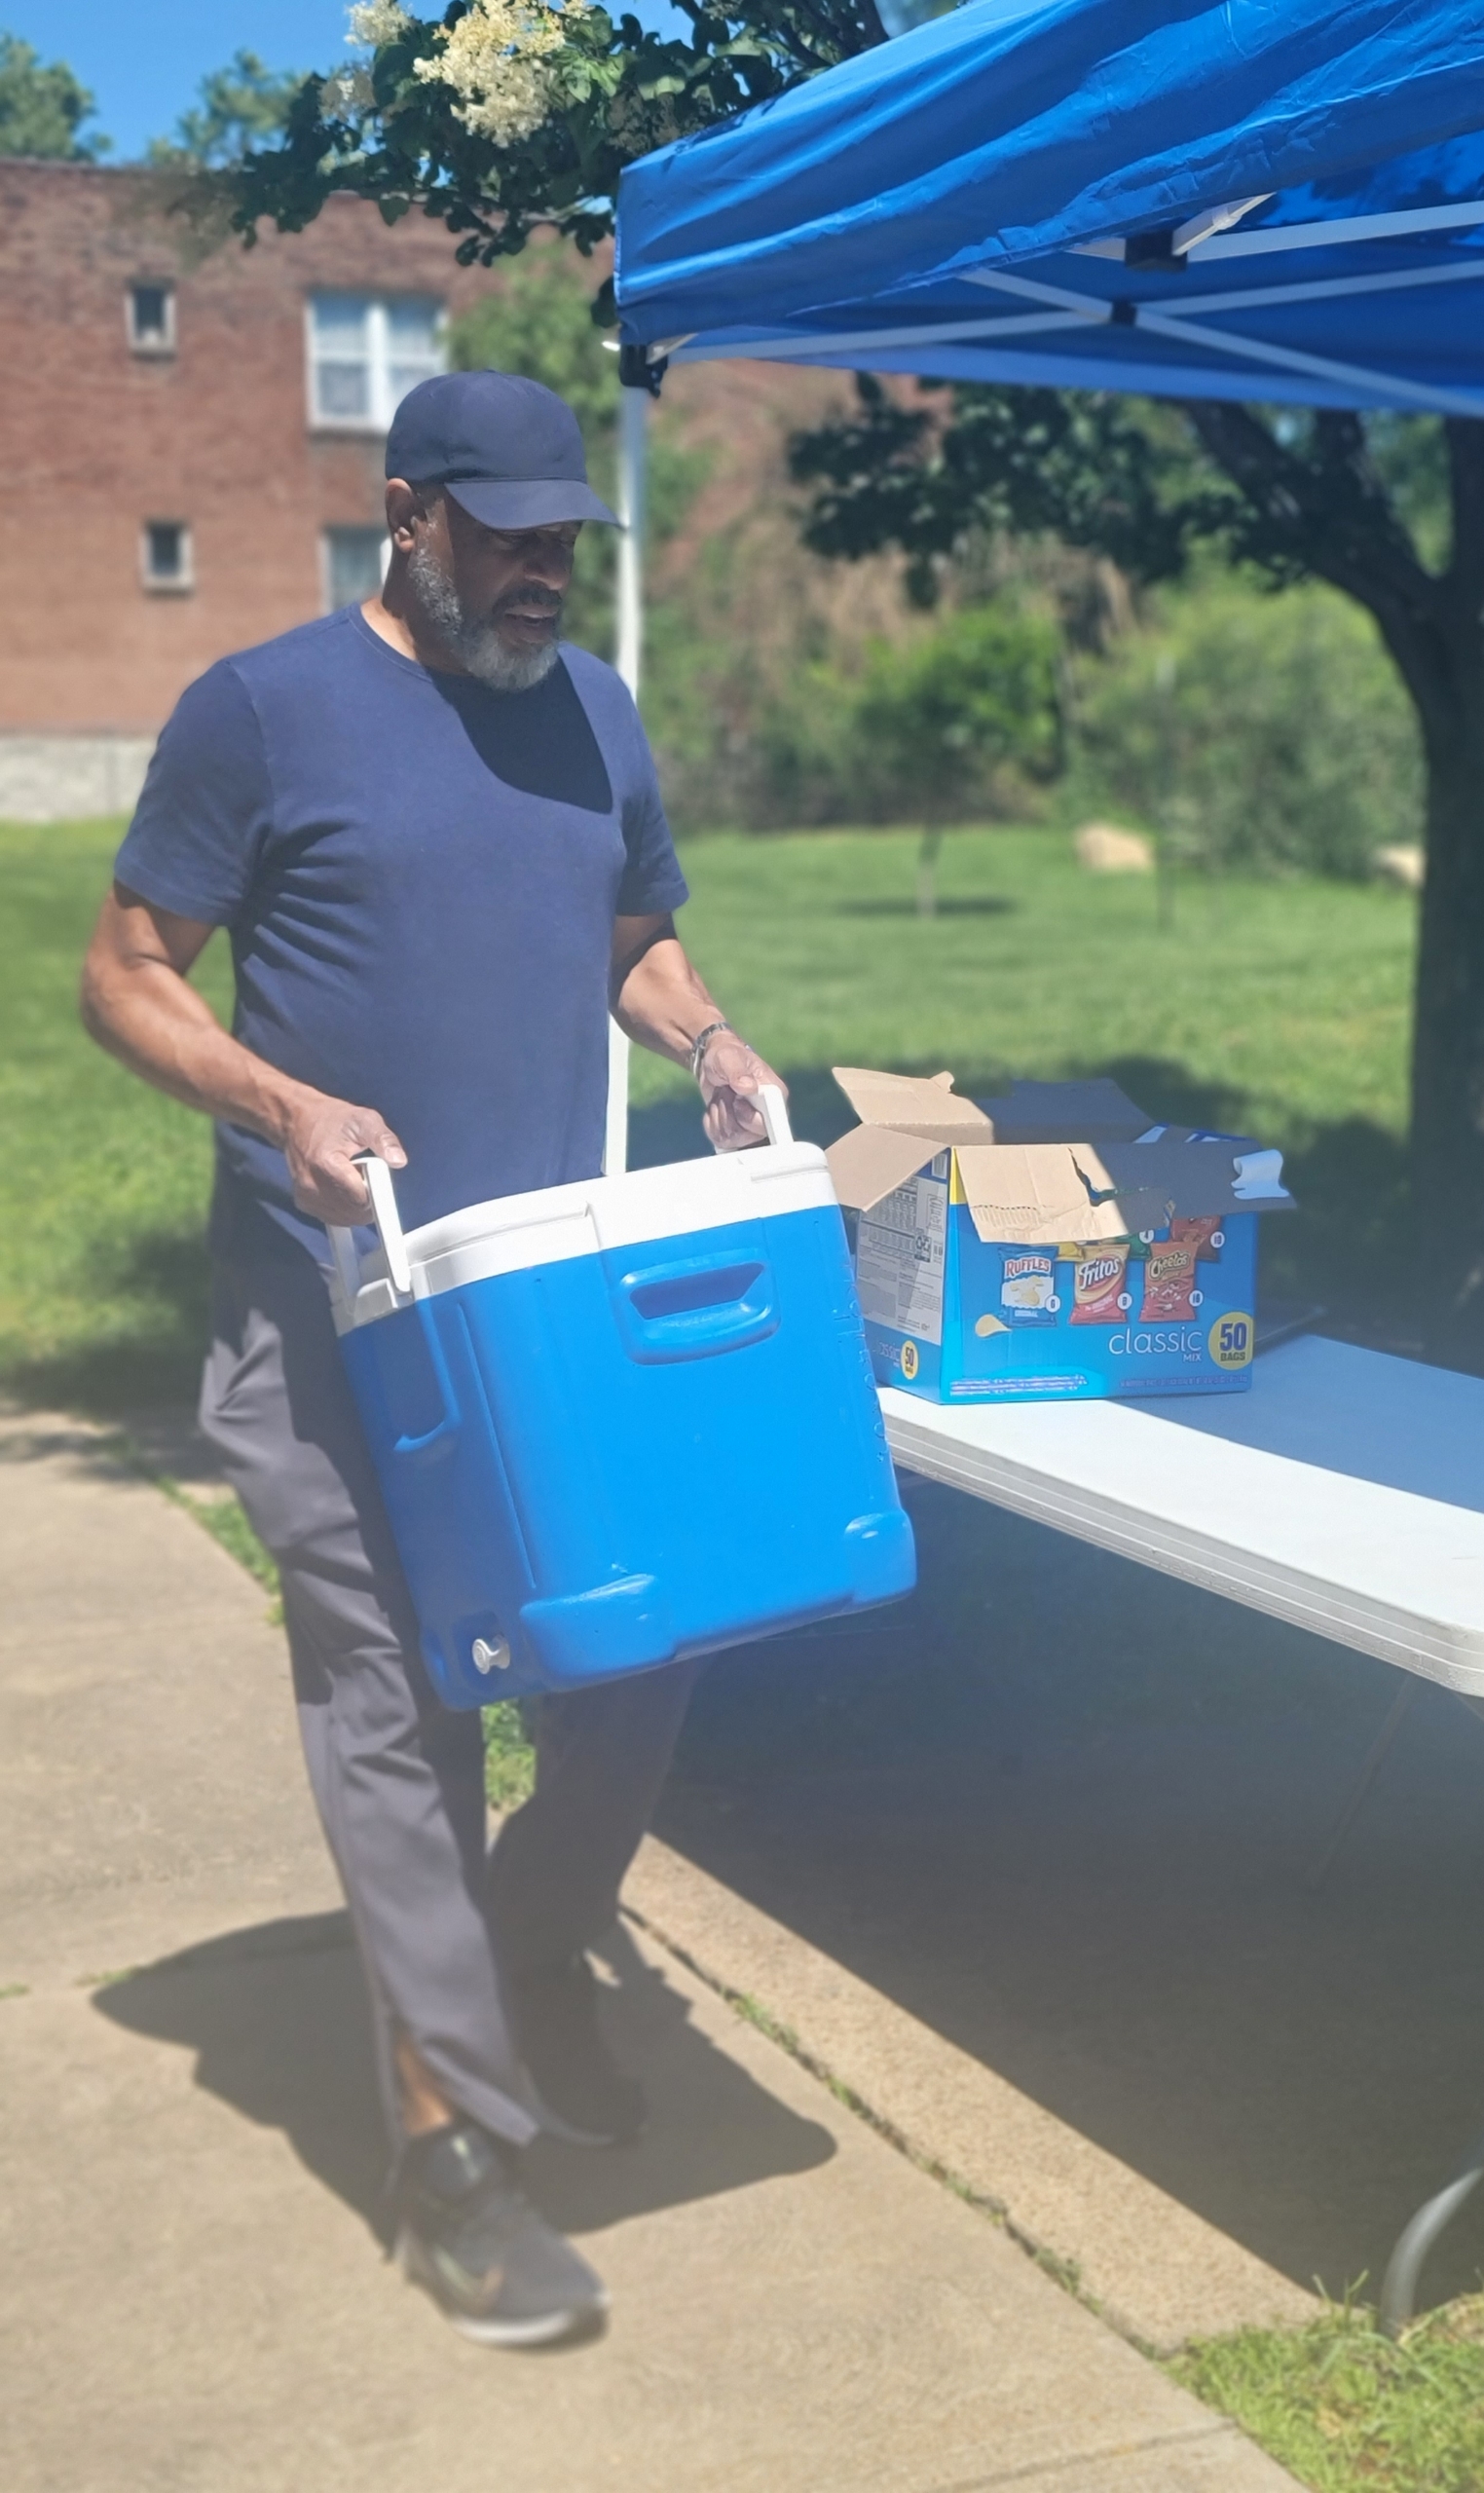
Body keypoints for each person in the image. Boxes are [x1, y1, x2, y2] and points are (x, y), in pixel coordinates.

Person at [80, 370, 784, 2350]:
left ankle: (530, 1950)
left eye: (566, 532)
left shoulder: (591, 711)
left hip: (537, 1310)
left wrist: (710, 1036)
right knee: (392, 1696)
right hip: (329, 1306)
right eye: (506, 530)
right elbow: (125, 970)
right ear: (408, 514)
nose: (546, 564)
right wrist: (280, 1097)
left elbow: (629, 930)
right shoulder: (264, 710)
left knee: (634, 1654)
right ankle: (449, 2151)